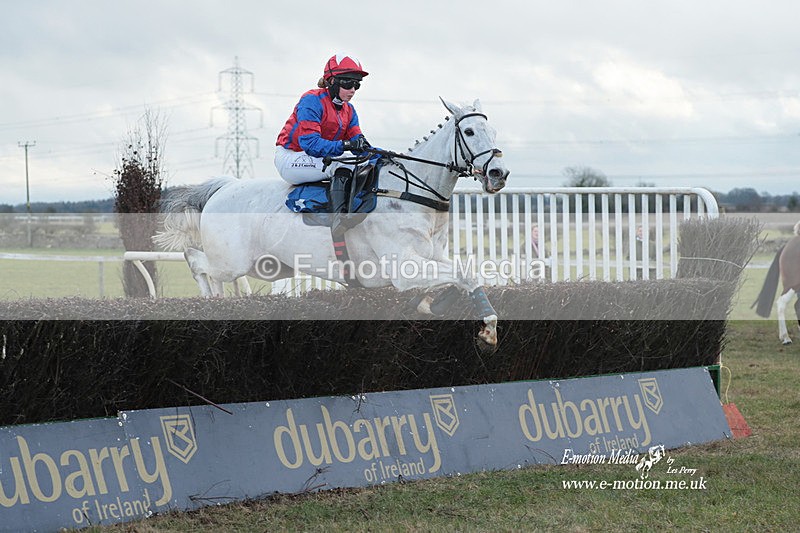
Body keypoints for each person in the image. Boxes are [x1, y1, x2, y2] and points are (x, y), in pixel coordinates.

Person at [275, 53, 373, 240]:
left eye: (357, 85)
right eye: (348, 84)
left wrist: (379, 154)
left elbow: (359, 141)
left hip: (317, 157)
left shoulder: (349, 110)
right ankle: (338, 219)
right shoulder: (311, 100)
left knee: (365, 164)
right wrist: (347, 144)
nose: (352, 90)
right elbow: (310, 144)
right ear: (332, 81)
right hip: (291, 156)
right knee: (341, 164)